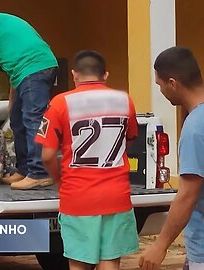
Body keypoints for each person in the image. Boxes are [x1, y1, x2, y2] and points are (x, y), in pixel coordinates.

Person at [36, 50, 139, 270]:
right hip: (116, 195)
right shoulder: (124, 100)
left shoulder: (60, 103)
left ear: (74, 75)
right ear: (106, 75)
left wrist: (58, 180)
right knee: (110, 260)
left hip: (78, 197)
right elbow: (128, 140)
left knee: (79, 263)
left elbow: (46, 155)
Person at [0, 4, 58, 190]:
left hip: (36, 68)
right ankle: (23, 170)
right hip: (29, 71)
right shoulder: (4, 26)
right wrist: (13, 102)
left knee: (32, 119)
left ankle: (39, 173)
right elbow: (15, 71)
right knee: (17, 119)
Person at [139, 47, 204, 270]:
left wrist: (161, 244)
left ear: (173, 83)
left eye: (160, 85)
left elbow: (188, 194)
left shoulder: (195, 127)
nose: (162, 91)